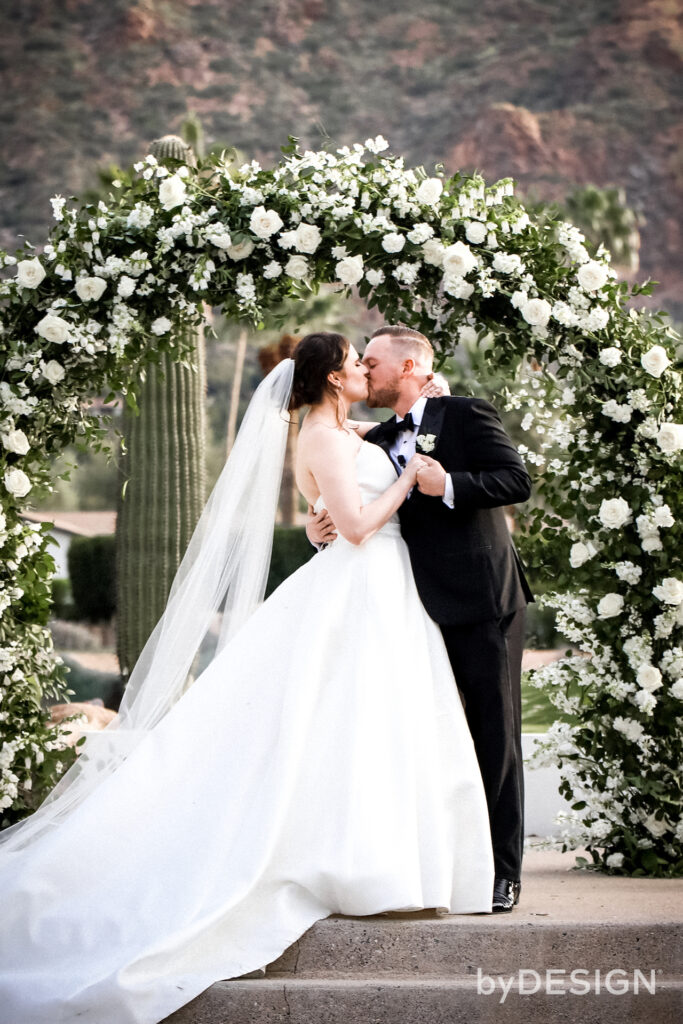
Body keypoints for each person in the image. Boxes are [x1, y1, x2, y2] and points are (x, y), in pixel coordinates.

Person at [0, 332, 494, 1024]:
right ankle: (353, 864)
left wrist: (423, 413)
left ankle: (393, 862)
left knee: (375, 725)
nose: (360, 369)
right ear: (328, 378)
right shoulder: (320, 439)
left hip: (384, 592)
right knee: (348, 722)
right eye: (352, 362)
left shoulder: (344, 429)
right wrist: (409, 481)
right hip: (362, 581)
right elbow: (353, 527)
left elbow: (373, 457)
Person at [308, 325, 533, 913]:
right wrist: (316, 527)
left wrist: (450, 482)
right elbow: (347, 485)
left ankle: (502, 874)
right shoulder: (379, 436)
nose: (366, 370)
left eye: (374, 361)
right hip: (411, 605)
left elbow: (516, 480)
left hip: (483, 600)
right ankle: (447, 862)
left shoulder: (464, 414)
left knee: (495, 736)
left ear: (409, 368)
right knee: (436, 739)